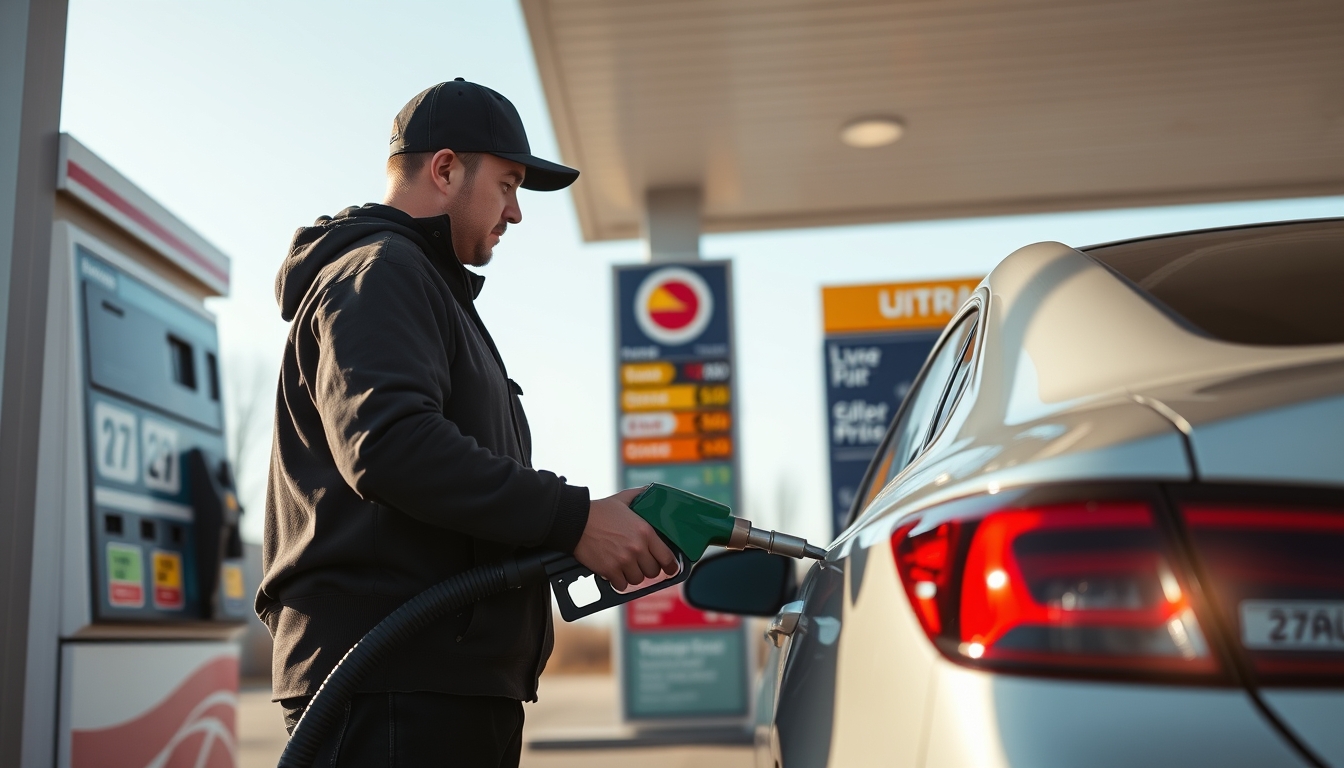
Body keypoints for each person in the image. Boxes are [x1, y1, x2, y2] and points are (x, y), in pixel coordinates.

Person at [256, 79, 678, 767]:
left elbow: (434, 484)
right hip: (393, 681)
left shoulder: (419, 284)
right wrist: (573, 518)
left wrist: (585, 525)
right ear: (446, 168)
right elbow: (388, 445)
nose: (515, 213)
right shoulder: (381, 273)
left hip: (426, 678)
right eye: (508, 185)